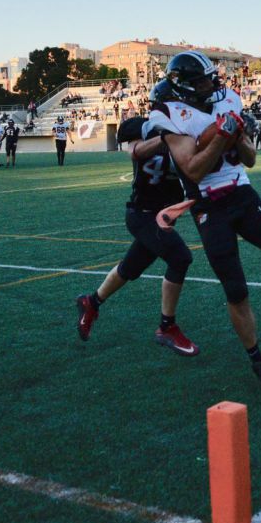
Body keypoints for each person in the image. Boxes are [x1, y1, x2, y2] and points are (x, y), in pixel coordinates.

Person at [149, 51, 261, 395]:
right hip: (208, 206)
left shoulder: (229, 98)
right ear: (185, 86)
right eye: (203, 80)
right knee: (236, 289)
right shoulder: (169, 113)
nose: (212, 83)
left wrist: (239, 136)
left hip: (242, 194)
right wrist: (221, 135)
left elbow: (250, 159)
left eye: (211, 77)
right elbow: (192, 169)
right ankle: (258, 361)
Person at [75, 116, 198, 356]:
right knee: (180, 258)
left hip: (162, 215)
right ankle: (167, 327)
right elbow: (133, 149)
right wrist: (165, 136)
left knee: (130, 268)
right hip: (142, 214)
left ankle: (91, 302)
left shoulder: (190, 130)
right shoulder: (147, 126)